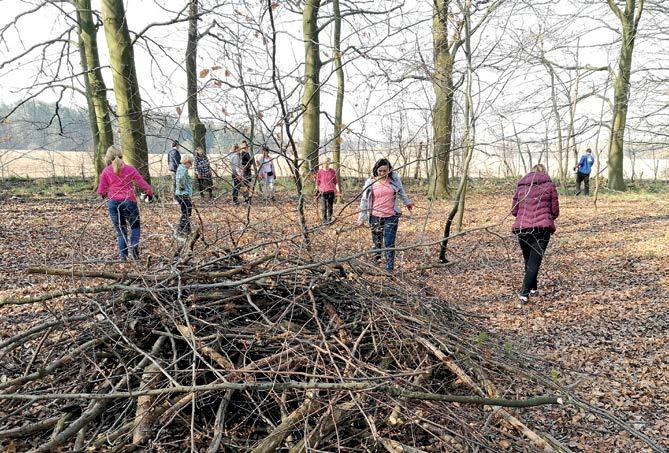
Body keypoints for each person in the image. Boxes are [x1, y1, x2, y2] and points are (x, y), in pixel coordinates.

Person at [511, 163, 560, 307]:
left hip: (522, 228)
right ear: (544, 172)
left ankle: (533, 288)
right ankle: (524, 294)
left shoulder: (521, 187)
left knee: (529, 260)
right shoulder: (549, 186)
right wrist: (547, 217)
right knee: (534, 261)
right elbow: (555, 211)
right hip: (541, 229)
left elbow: (514, 211)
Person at [97, 146, 153, 260]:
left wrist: (105, 194)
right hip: (129, 201)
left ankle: (123, 256)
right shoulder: (130, 169)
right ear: (122, 156)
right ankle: (134, 248)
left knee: (120, 230)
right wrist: (150, 193)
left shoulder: (106, 171)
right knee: (135, 226)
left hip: (113, 203)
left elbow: (101, 191)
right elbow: (143, 184)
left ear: (108, 157)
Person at [357, 158, 413, 272]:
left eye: (385, 171)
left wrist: (407, 203)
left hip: (391, 216)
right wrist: (361, 218)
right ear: (376, 170)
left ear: (389, 170)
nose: (383, 173)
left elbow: (401, 191)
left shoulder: (394, 180)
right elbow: (364, 200)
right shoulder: (370, 182)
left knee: (389, 242)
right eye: (380, 171)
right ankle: (376, 260)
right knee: (377, 241)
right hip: (375, 216)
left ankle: (389, 267)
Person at [315, 158, 340, 224]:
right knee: (323, 207)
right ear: (323, 164)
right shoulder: (320, 172)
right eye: (325, 163)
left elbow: (335, 182)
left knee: (330, 207)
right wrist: (316, 191)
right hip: (322, 192)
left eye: (328, 163)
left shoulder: (332, 171)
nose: (326, 165)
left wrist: (338, 190)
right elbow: (317, 182)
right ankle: (324, 221)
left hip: (331, 191)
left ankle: (329, 220)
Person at [175, 155, 194, 239]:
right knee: (186, 212)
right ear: (187, 162)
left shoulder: (182, 169)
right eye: (190, 163)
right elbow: (180, 179)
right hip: (183, 194)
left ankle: (187, 229)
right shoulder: (182, 169)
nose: (191, 166)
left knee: (188, 211)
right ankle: (181, 231)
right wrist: (182, 188)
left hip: (183, 194)